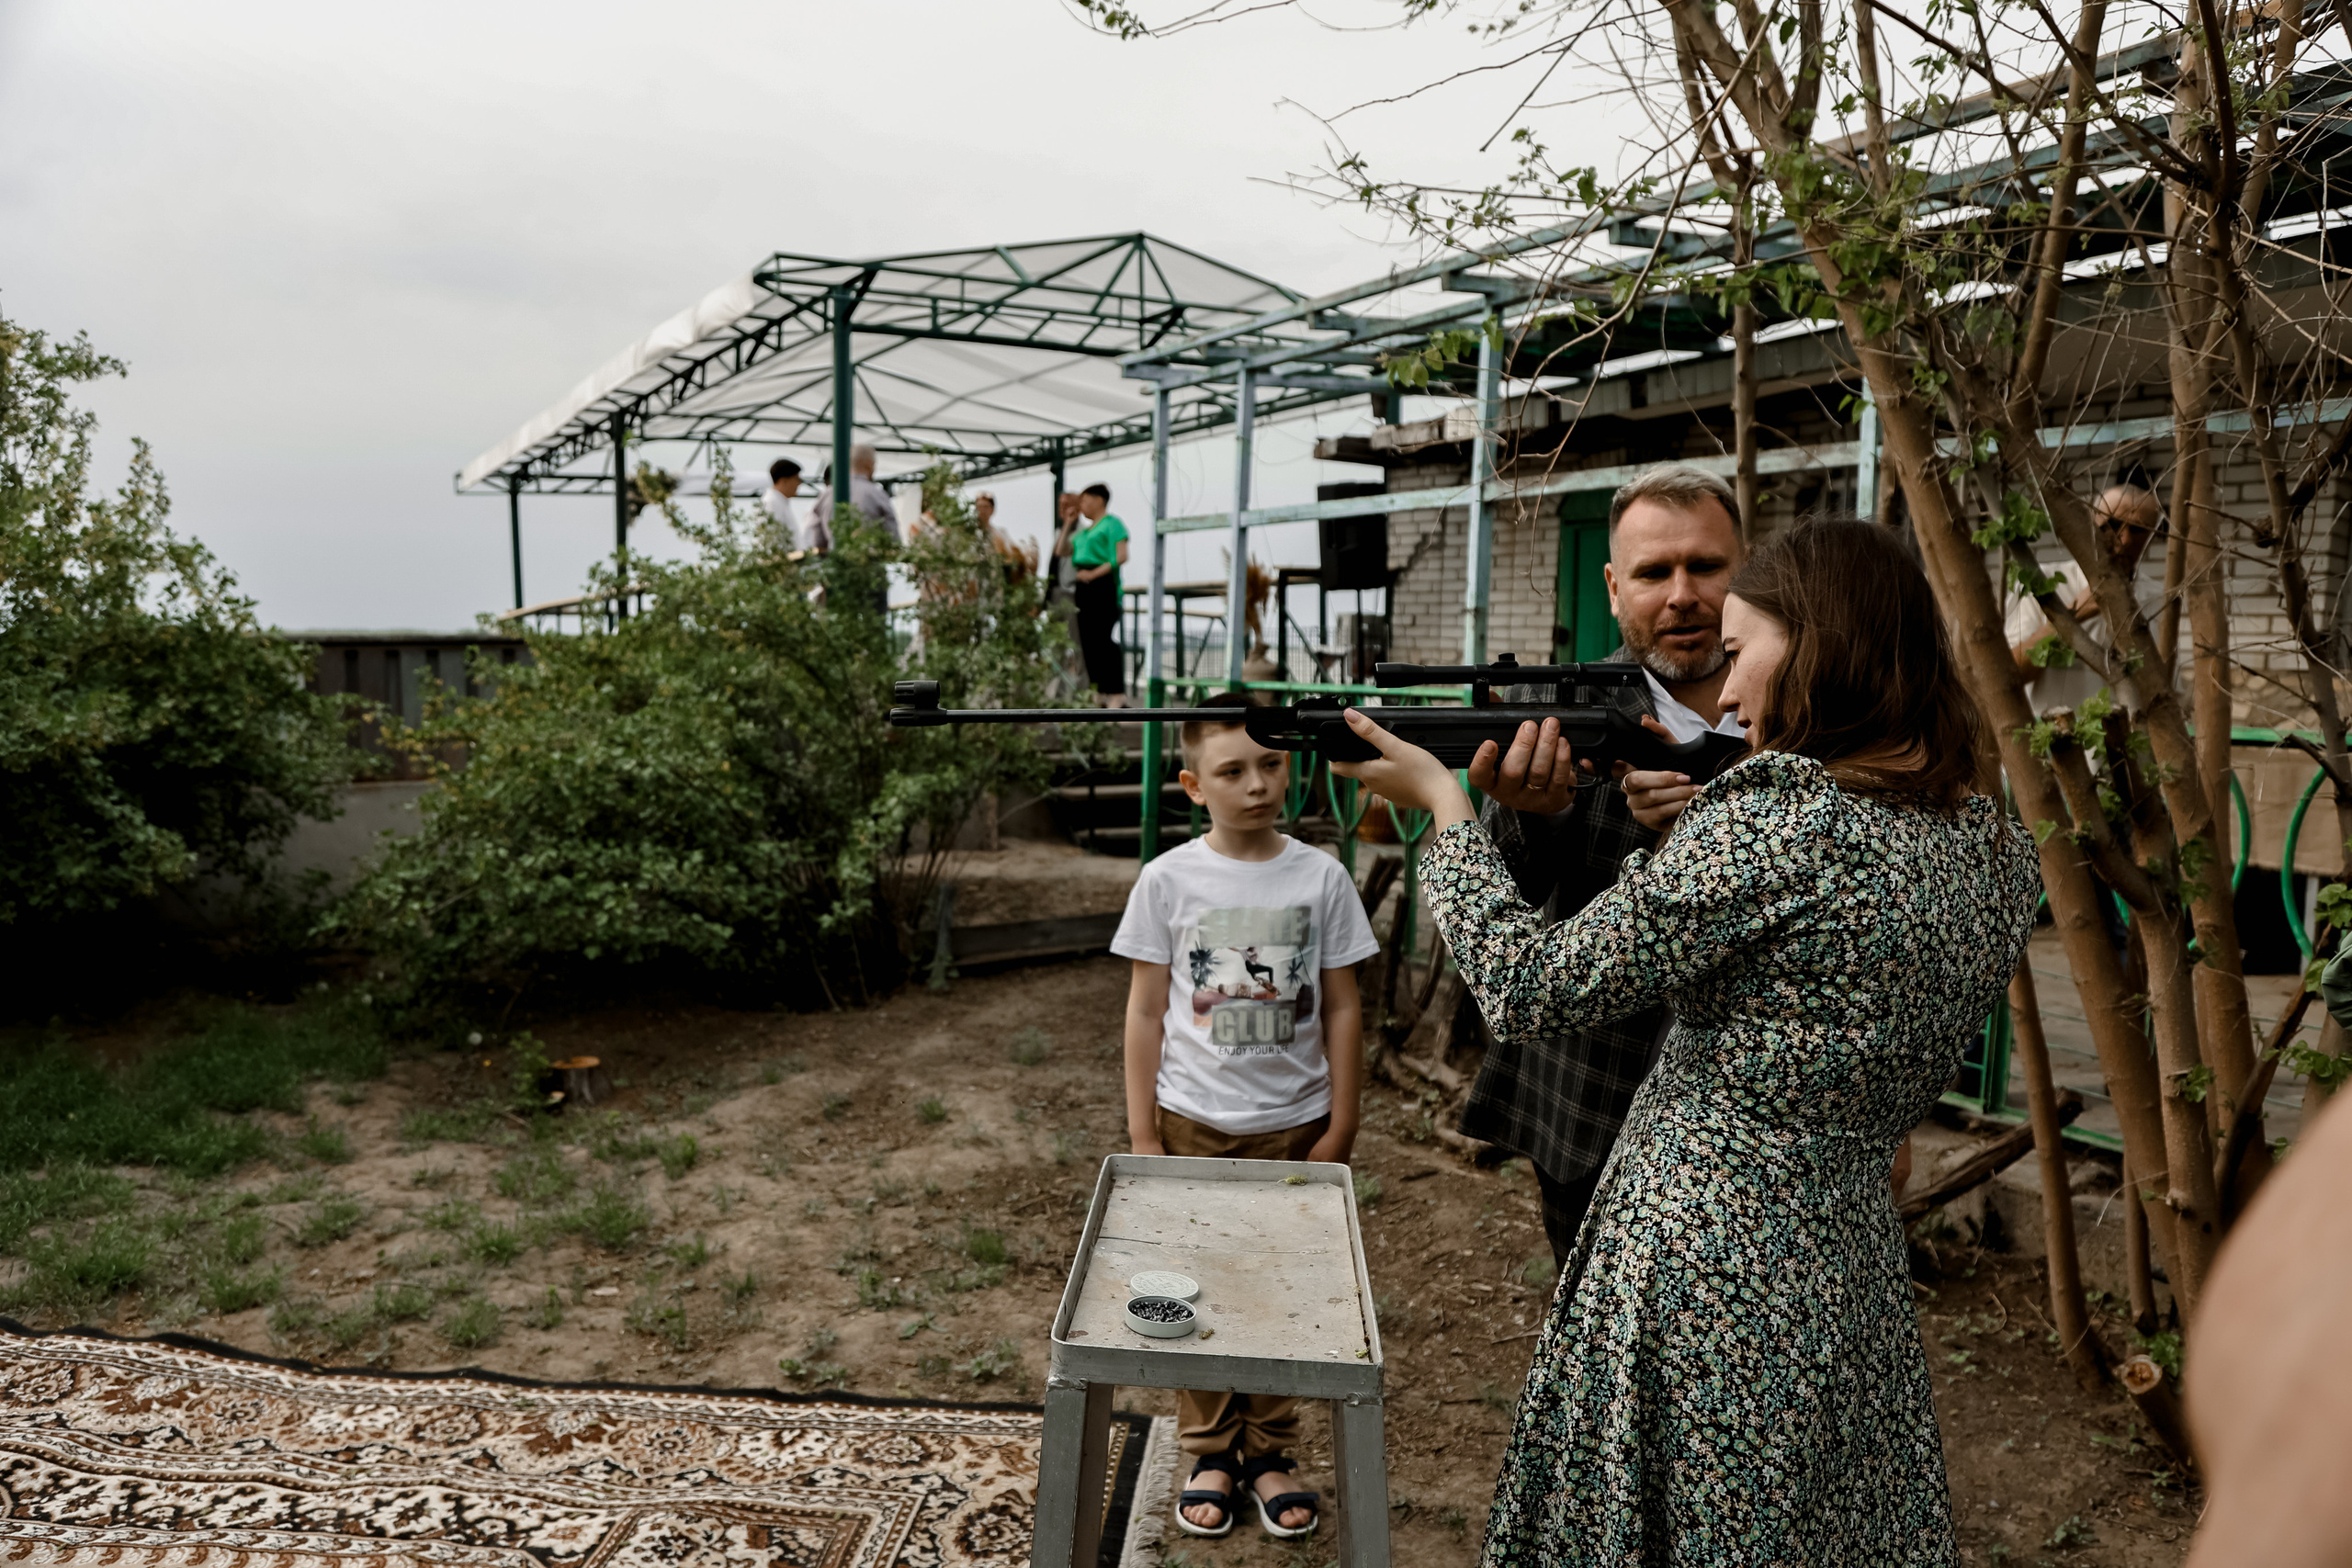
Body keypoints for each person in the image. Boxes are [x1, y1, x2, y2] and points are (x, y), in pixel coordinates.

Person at [1333, 516, 2041, 1563]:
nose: (1728, 682)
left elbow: (1531, 987)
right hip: (1844, 1259)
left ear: (1821, 645)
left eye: (1745, 646)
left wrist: (1443, 807)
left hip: (1697, 1262)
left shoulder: (1777, 819)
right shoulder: (1986, 839)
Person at [1461, 462, 1749, 1264]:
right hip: (1591, 1107)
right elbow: (1498, 902)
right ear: (1616, 588)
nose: (1682, 594)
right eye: (1655, 572)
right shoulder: (1565, 705)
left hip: (1757, 1129)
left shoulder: (1803, 710)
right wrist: (1537, 810)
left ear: (1746, 571)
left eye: (1705, 566)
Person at [1111, 693, 1380, 1543]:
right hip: (1192, 1119)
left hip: (1294, 1125)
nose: (1258, 784)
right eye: (1232, 770)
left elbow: (1341, 1006)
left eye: (1270, 764)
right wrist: (1145, 1133)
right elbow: (1146, 1012)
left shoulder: (1321, 875)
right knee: (1195, 1286)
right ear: (1194, 783)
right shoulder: (1168, 880)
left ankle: (1269, 1449)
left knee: (1278, 1288)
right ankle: (1209, 1449)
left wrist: (1342, 1118)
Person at [2002, 481, 2165, 712]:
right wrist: (2072, 614)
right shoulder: (2042, 584)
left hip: (2130, 742)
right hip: (2057, 743)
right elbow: (2010, 673)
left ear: (2152, 536)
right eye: (2112, 525)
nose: (2124, 539)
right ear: (2090, 525)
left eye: (2138, 529)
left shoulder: (2157, 599)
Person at [1070, 483, 1131, 706]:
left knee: (1104, 640)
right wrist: (1069, 521)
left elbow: (1121, 555)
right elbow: (1063, 552)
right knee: (1088, 641)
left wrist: (1094, 574)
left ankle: (1116, 692)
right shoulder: (1083, 531)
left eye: (1085, 500)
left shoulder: (1112, 524)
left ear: (1098, 500)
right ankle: (1098, 690)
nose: (1082, 506)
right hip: (1082, 587)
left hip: (1103, 585)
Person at [812, 442, 899, 542]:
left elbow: (817, 534)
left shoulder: (827, 494)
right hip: (870, 555)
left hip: (834, 556)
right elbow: (892, 534)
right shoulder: (877, 494)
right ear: (869, 465)